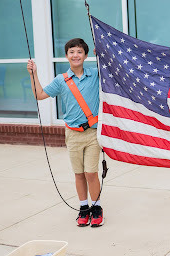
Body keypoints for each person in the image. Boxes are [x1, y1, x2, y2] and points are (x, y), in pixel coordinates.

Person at [26, 38, 104, 228]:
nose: (75, 55)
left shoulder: (95, 75)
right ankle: (83, 208)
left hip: (93, 133)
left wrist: (103, 54)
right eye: (72, 52)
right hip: (73, 134)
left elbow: (112, 72)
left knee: (91, 172)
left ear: (86, 55)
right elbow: (39, 95)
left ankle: (97, 207)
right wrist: (33, 73)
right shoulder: (61, 80)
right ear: (67, 56)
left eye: (79, 52)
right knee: (79, 174)